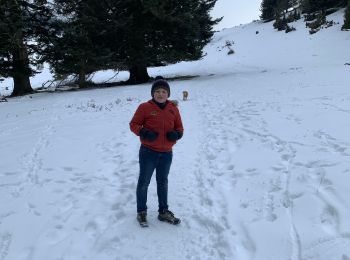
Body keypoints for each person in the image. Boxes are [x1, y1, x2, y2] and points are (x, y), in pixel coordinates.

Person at [129, 76, 184, 227]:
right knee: (144, 183)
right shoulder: (144, 107)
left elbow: (180, 128)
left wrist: (177, 134)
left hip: (166, 153)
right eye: (157, 91)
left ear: (168, 94)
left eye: (164, 91)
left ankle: (163, 211)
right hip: (148, 152)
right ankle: (141, 212)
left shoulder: (173, 109)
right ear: (153, 93)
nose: (161, 94)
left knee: (162, 182)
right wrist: (144, 132)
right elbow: (133, 124)